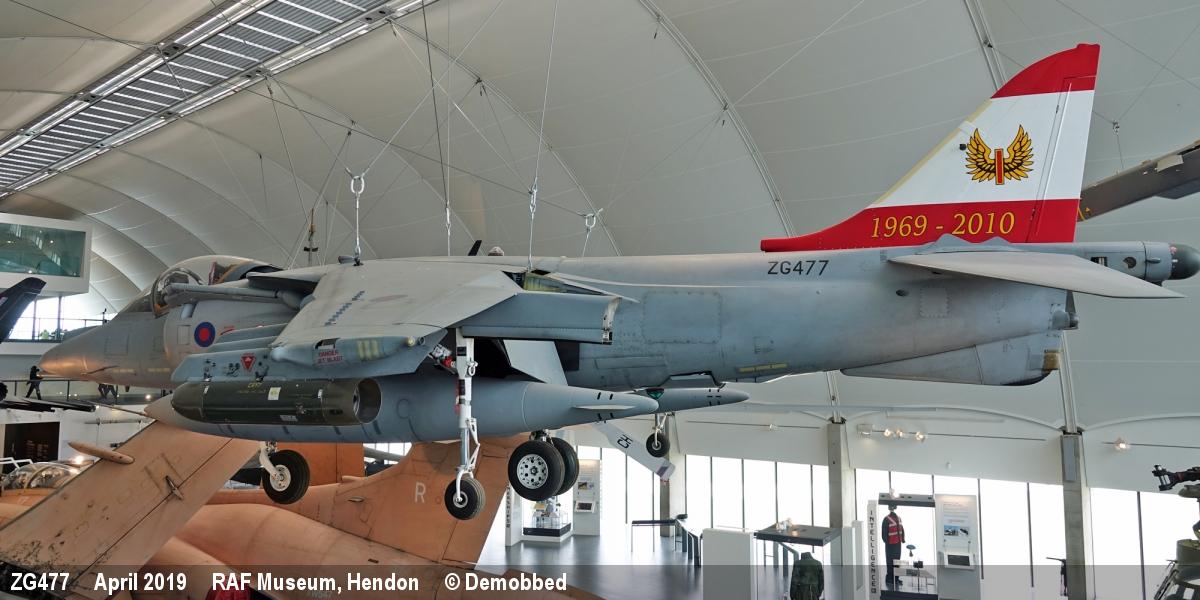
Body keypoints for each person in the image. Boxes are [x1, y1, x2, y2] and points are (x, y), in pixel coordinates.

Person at [882, 504, 906, 590]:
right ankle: (889, 579)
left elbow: (902, 529)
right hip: (890, 545)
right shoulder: (886, 519)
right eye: (891, 508)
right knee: (890, 561)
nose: (892, 509)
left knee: (897, 562)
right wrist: (886, 541)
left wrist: (903, 539)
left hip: (898, 543)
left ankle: (896, 578)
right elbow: (884, 532)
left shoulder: (899, 518)